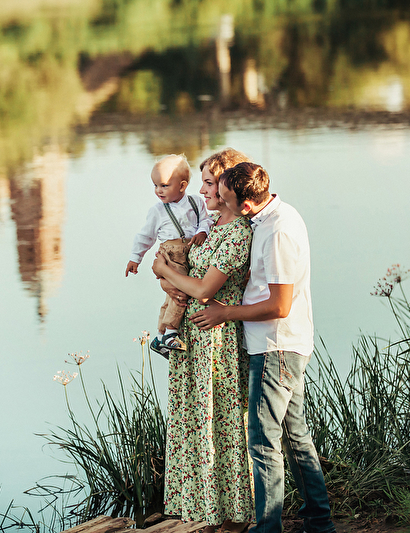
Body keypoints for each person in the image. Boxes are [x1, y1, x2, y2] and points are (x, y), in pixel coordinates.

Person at [191, 162, 335, 533]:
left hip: (276, 346)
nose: (216, 201)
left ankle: (268, 528)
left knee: (262, 441)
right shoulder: (270, 217)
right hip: (281, 344)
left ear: (247, 205)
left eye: (223, 198)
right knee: (295, 437)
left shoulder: (278, 232)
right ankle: (319, 522)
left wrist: (226, 313)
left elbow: (279, 305)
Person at [151, 148, 255, 533]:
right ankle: (205, 512)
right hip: (191, 340)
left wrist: (164, 270)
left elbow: (205, 289)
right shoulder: (209, 229)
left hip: (216, 343)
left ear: (230, 186)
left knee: (220, 424)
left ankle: (233, 517)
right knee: (194, 423)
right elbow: (184, 278)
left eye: (210, 182)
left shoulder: (237, 234)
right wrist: (166, 278)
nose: (202, 189)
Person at [125, 154, 211, 355]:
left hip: (189, 250)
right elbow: (145, 236)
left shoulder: (196, 202)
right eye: (155, 185)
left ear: (182, 186)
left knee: (170, 295)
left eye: (163, 185)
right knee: (180, 294)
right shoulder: (158, 210)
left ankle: (160, 335)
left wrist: (202, 231)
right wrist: (135, 258)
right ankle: (171, 333)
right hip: (171, 253)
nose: (158, 191)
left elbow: (206, 220)